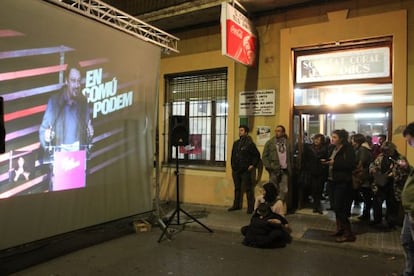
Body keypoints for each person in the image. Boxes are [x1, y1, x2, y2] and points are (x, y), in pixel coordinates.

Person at [39, 63, 94, 154]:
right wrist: (46, 136)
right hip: (59, 161)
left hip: (77, 160)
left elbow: (87, 138)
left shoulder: (83, 103)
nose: (77, 85)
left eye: (79, 81)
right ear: (66, 81)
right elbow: (43, 131)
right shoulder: (54, 102)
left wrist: (90, 135)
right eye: (73, 80)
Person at [322, 129, 356, 242]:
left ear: (341, 138)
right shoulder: (332, 148)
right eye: (332, 136)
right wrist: (326, 162)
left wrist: (334, 163)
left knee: (340, 207)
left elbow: (351, 164)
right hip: (332, 180)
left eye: (335, 137)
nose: (332, 138)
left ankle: (348, 233)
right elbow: (332, 160)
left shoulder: (348, 149)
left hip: (342, 182)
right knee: (335, 207)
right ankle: (339, 229)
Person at [229, 125, 261, 214]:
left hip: (245, 170)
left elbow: (257, 155)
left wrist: (252, 165)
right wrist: (232, 166)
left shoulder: (249, 144)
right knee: (237, 188)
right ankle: (236, 205)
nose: (240, 132)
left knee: (248, 189)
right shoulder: (236, 143)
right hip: (236, 170)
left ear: (246, 132)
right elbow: (232, 155)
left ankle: (250, 207)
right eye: (239, 130)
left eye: (242, 130)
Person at [262, 125, 292, 214]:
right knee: (272, 188)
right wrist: (269, 167)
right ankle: (272, 207)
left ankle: (280, 207)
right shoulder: (270, 143)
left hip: (285, 169)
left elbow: (290, 156)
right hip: (274, 169)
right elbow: (264, 156)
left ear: (283, 132)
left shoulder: (288, 143)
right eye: (276, 131)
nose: (277, 133)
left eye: (279, 131)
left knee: (284, 189)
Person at [299, 133, 329, 214]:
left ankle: (317, 206)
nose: (316, 141)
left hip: (320, 171)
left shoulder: (325, 149)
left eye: (319, 139)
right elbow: (304, 159)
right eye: (316, 139)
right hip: (310, 171)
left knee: (319, 189)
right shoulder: (308, 148)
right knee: (313, 188)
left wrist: (324, 162)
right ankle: (313, 205)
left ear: (322, 141)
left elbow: (327, 159)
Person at [401, 122, 414, 276]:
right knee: (406, 241)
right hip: (409, 210)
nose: (410, 145)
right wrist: (408, 168)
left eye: (410, 141)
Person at [350, 133, 373, 221]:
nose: (352, 142)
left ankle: (366, 214)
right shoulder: (364, 148)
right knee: (366, 195)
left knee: (366, 195)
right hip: (364, 175)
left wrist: (355, 171)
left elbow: (361, 162)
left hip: (363, 176)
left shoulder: (363, 149)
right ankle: (365, 214)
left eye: (353, 140)